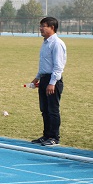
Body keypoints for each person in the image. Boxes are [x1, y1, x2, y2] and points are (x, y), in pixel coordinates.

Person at [30, 16, 67, 147]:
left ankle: (54, 137)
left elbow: (58, 66)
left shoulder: (57, 43)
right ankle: (46, 135)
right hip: (45, 78)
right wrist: (37, 77)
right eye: (40, 26)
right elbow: (44, 64)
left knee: (53, 110)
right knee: (44, 109)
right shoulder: (45, 43)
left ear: (52, 27)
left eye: (43, 26)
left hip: (53, 80)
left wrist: (52, 83)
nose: (40, 28)